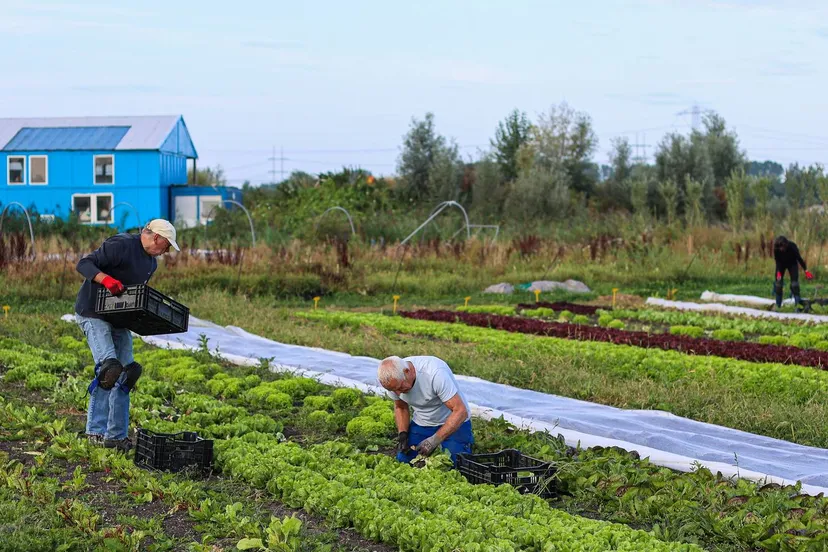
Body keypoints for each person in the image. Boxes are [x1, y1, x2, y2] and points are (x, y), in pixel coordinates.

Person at [74, 219, 180, 451]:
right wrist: (106, 280)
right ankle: (96, 433)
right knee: (109, 369)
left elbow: (133, 296)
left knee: (128, 373)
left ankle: (116, 436)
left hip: (118, 318)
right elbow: (84, 264)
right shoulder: (120, 244)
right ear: (156, 238)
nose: (167, 250)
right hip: (93, 311)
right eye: (167, 245)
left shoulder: (151, 263)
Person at [377, 355, 473, 464]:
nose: (398, 393)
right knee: (404, 460)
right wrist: (403, 433)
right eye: (394, 390)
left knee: (453, 463)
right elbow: (401, 407)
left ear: (407, 371)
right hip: (423, 423)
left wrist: (434, 441)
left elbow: (460, 411)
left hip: (453, 422)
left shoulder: (434, 373)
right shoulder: (393, 382)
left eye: (400, 388)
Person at [773, 235, 813, 308]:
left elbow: (799, 258)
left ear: (785, 245)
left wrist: (806, 270)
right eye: (779, 247)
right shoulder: (776, 249)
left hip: (792, 264)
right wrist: (778, 272)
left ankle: (798, 306)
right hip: (781, 264)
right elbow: (777, 261)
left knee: (794, 285)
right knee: (778, 284)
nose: (781, 249)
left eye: (782, 247)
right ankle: (778, 306)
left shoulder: (792, 246)